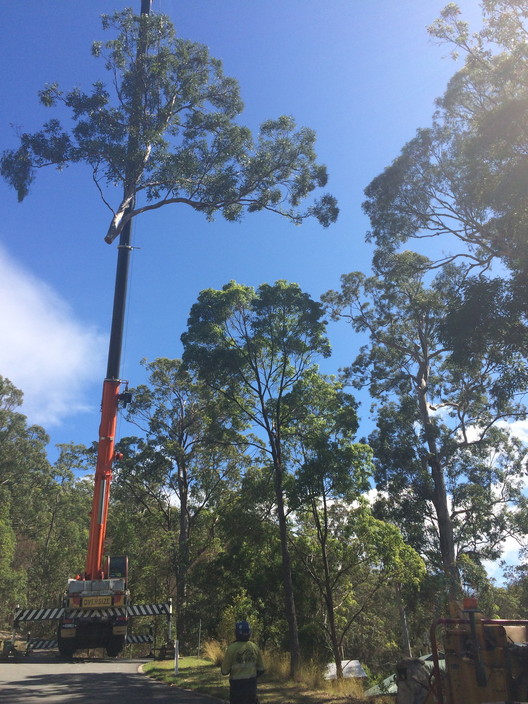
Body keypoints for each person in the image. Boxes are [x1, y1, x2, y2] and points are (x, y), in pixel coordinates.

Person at [221, 620, 265, 704]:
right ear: (249, 633)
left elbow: (224, 671)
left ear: (236, 633)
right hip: (251, 688)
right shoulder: (254, 647)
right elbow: (261, 669)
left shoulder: (231, 648)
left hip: (236, 688)